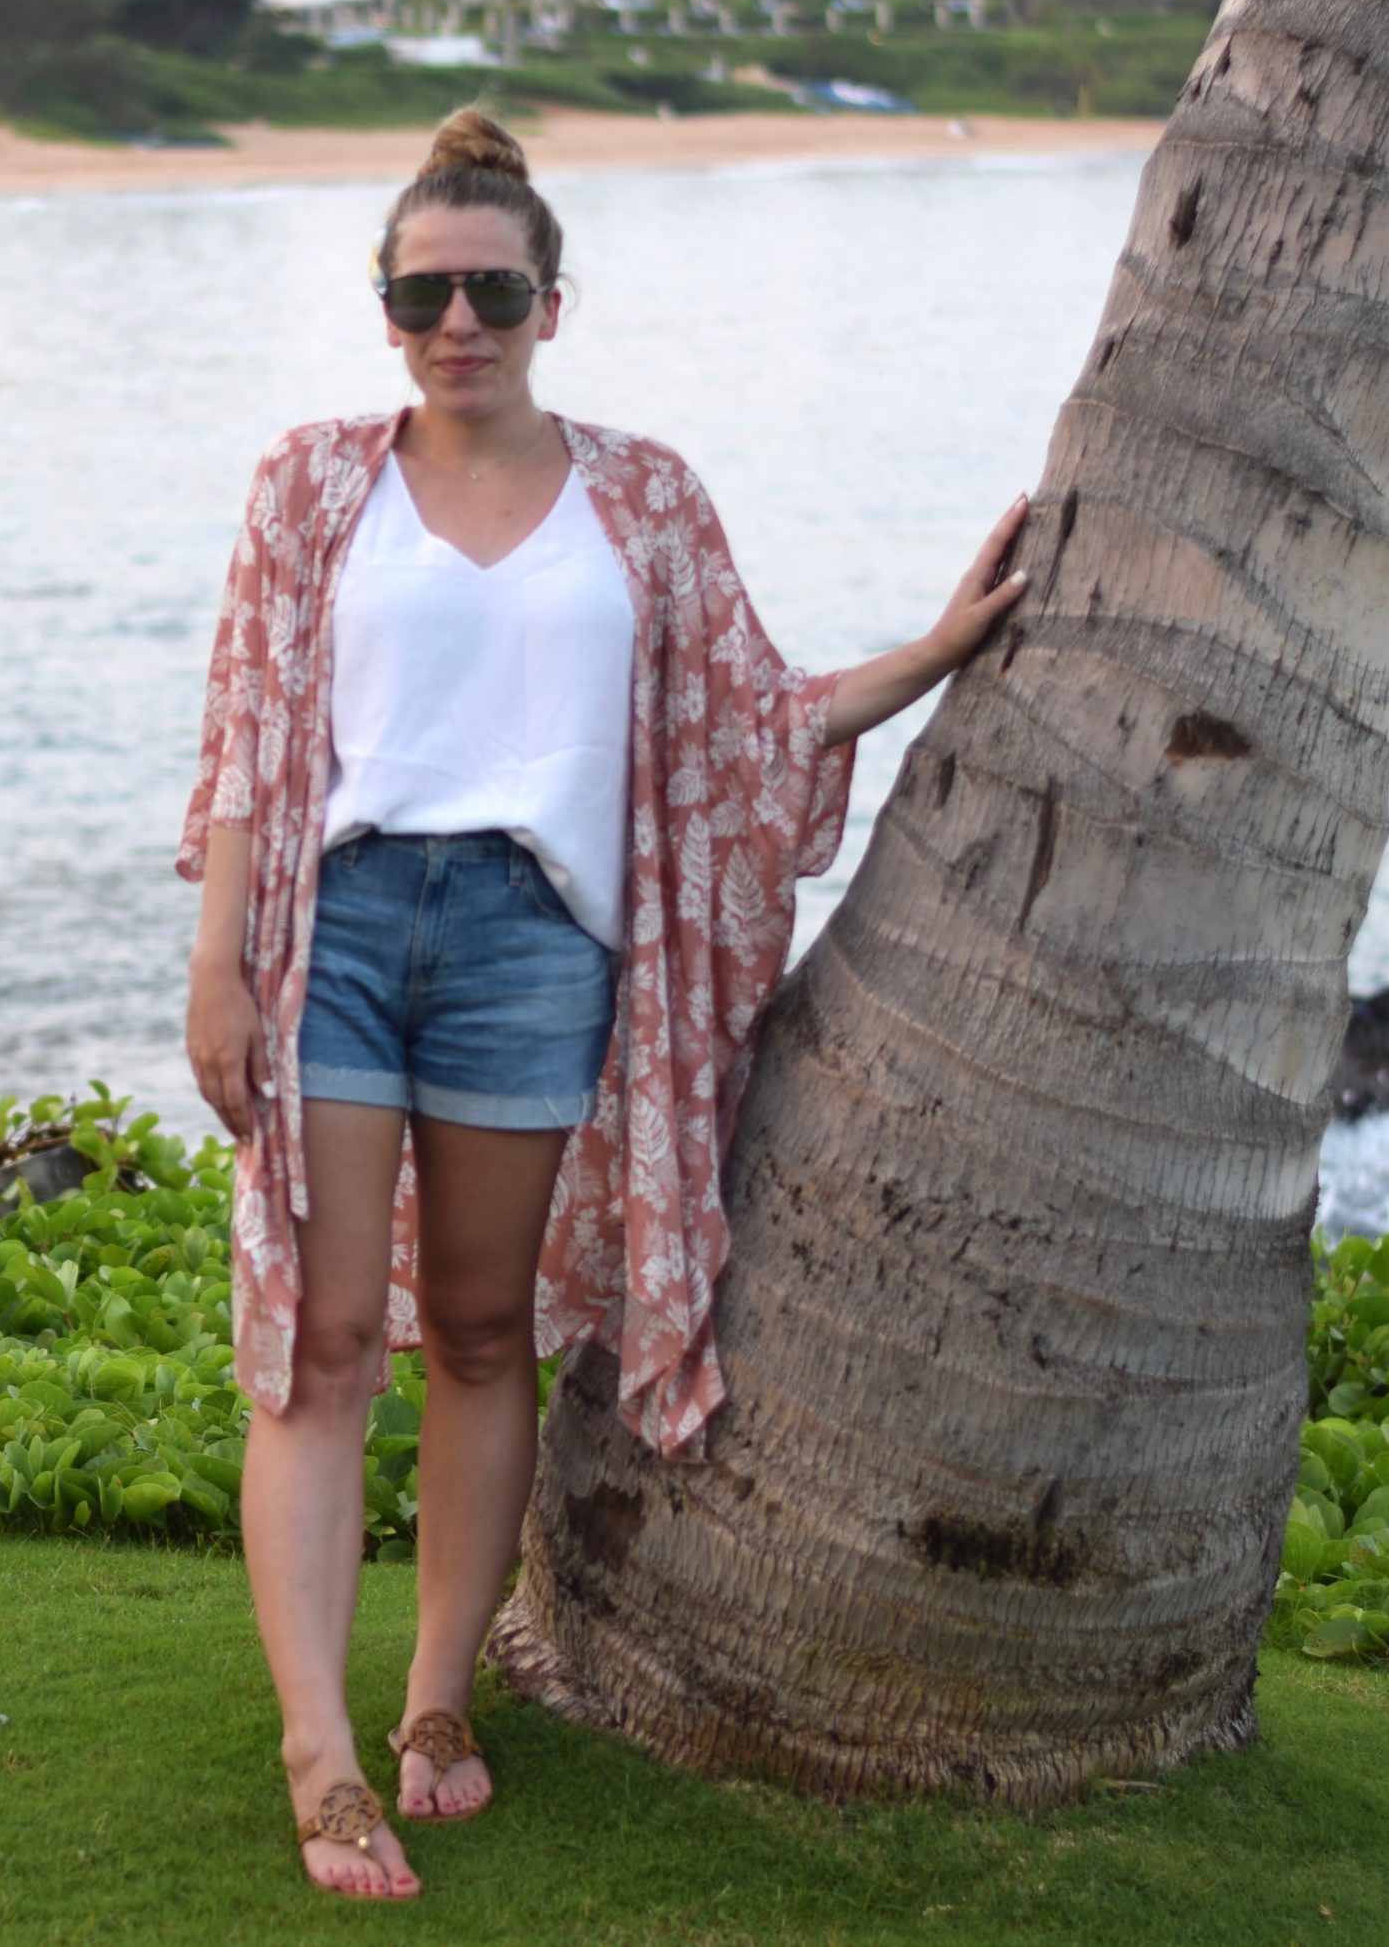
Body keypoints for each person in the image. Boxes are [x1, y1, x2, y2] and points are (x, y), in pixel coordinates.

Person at [179, 107, 1029, 1900]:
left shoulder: (640, 494)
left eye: (491, 288)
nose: (456, 322)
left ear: (552, 301)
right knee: (325, 1344)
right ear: (385, 309)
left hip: (529, 945)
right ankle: (316, 1753)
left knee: (485, 1337)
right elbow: (251, 740)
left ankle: (432, 1704)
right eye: (422, 295)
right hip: (337, 931)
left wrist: (937, 654)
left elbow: (742, 720)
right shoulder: (312, 480)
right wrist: (217, 968)